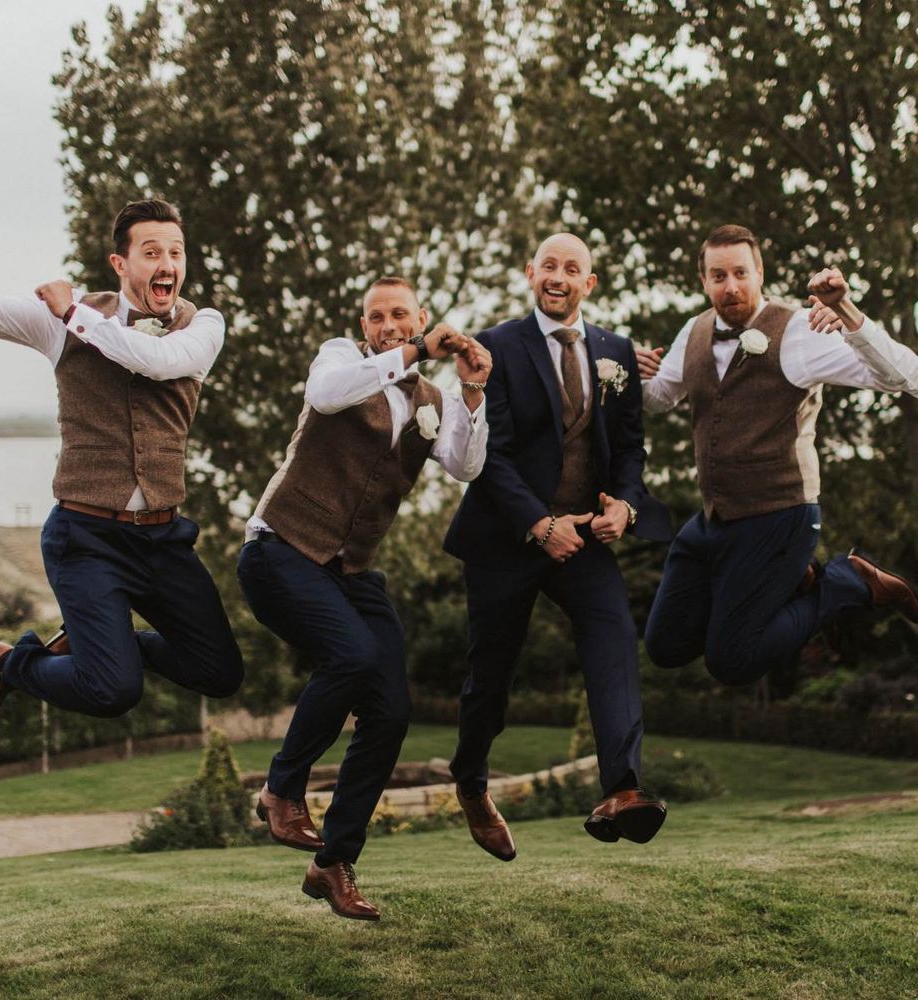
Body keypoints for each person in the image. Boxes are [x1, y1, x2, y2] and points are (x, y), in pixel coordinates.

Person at [0, 199, 244, 758]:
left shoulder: (202, 326)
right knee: (112, 690)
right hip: (86, 537)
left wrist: (75, 314)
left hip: (163, 539)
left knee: (219, 672)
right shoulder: (59, 322)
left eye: (176, 252)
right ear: (121, 264)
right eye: (151, 252)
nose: (167, 264)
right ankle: (5, 665)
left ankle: (98, 645)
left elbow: (155, 361)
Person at [238, 276, 491, 921]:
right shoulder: (340, 360)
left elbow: (465, 466)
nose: (387, 326)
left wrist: (471, 392)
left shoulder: (431, 399)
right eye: (376, 317)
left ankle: (333, 863)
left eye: (399, 315)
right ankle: (280, 789)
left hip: (349, 571)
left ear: (421, 316)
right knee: (349, 657)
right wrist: (414, 352)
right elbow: (325, 395)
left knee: (391, 710)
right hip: (280, 549)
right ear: (363, 325)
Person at [443, 233, 674, 862]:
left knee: (615, 639)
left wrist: (625, 505)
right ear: (530, 273)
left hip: (585, 537)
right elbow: (488, 455)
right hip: (506, 539)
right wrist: (540, 525)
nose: (559, 276)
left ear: (589, 284)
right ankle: (471, 782)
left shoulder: (615, 351)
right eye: (549, 265)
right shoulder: (495, 345)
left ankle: (622, 788)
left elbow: (630, 447)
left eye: (573, 269)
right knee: (490, 678)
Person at [638, 224, 918, 688]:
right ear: (704, 280)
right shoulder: (695, 331)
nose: (731, 286)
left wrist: (846, 312)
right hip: (714, 519)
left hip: (780, 517)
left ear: (760, 273)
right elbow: (659, 398)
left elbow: (904, 377)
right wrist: (631, 372)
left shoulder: (802, 331)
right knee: (665, 646)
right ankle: (788, 583)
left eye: (740, 273)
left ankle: (845, 580)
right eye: (718, 276)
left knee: (731, 662)